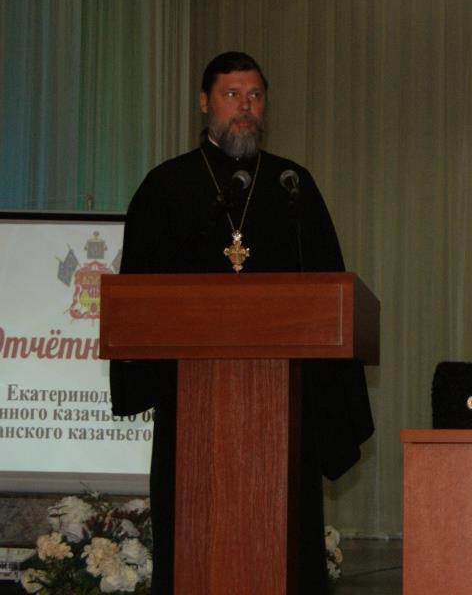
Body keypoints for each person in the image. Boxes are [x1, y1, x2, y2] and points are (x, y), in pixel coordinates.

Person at [109, 52, 374, 594]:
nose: (246, 107)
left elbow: (330, 287)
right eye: (232, 95)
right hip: (193, 404)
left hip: (284, 406)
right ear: (204, 102)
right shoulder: (167, 187)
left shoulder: (291, 186)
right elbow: (139, 293)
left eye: (255, 96)